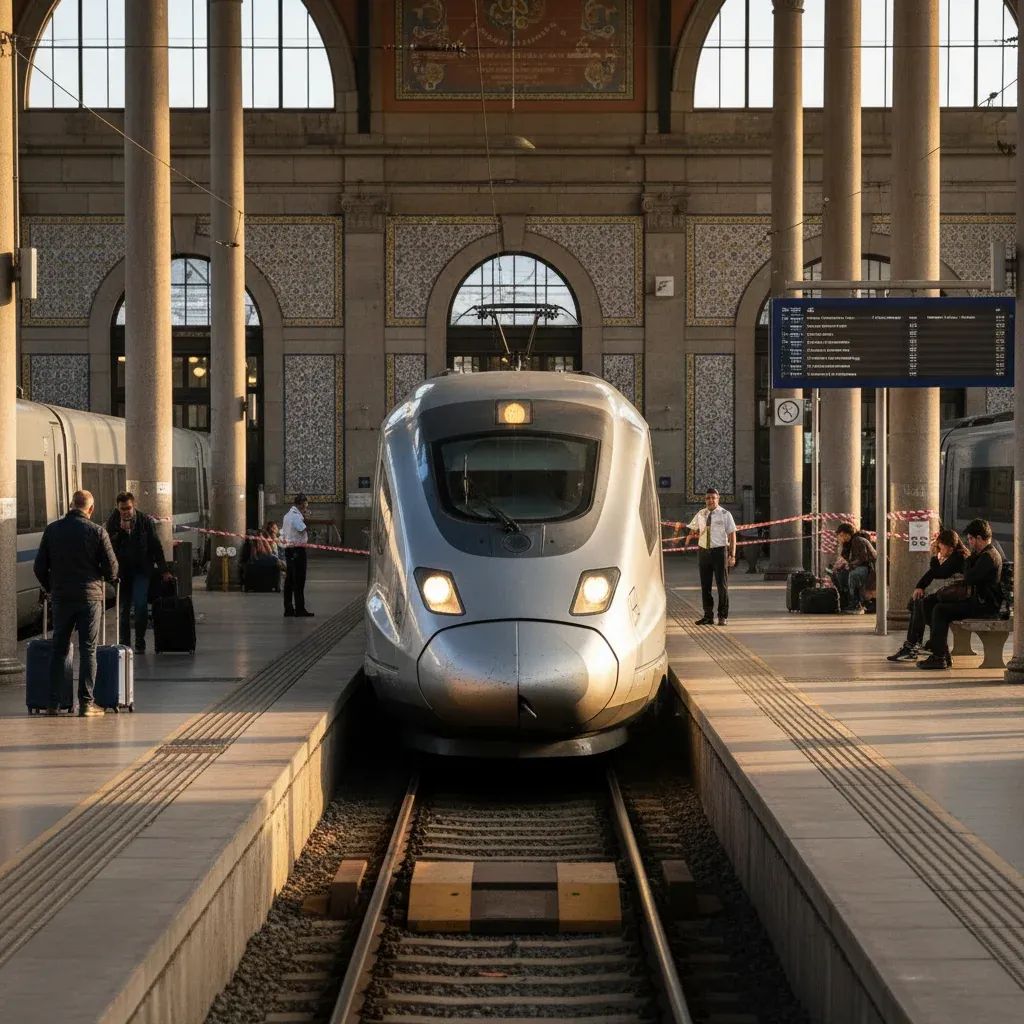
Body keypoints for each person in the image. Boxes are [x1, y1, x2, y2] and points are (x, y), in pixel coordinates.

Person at [33, 490, 118, 716]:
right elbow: (112, 569)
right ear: (91, 509)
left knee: (59, 649)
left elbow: (39, 567)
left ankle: (53, 704)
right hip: (90, 598)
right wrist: (101, 575)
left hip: (62, 598)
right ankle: (86, 704)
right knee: (88, 650)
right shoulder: (98, 531)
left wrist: (52, 587)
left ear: (71, 505)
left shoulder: (52, 530)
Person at [918, 518, 1003, 670]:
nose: (969, 542)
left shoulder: (988, 556)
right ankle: (941, 651)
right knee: (930, 603)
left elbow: (969, 577)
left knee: (940, 610)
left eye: (970, 539)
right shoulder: (983, 554)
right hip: (978, 601)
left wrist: (968, 561)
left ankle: (939, 657)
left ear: (979, 538)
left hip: (984, 605)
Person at [887, 529, 968, 662]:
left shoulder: (959, 557)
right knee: (918, 602)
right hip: (954, 597)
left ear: (950, 547)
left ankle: (913, 646)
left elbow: (939, 572)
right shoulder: (955, 556)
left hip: (959, 600)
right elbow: (932, 573)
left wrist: (935, 557)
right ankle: (913, 645)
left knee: (921, 604)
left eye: (941, 547)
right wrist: (920, 586)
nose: (939, 549)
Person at [104, 491, 168, 653]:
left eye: (128, 508)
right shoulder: (113, 522)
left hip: (141, 570)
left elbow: (155, 546)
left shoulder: (145, 521)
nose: (125, 512)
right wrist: (121, 533)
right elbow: (108, 548)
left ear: (134, 506)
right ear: (117, 508)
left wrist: (163, 570)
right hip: (122, 573)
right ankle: (125, 644)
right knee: (124, 609)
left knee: (140, 605)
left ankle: (140, 641)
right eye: (122, 509)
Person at [686, 487, 737, 626]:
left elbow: (732, 535)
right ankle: (708, 616)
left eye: (713, 498)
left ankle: (722, 616)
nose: (710, 500)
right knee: (705, 586)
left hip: (719, 552)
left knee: (722, 586)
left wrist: (732, 555)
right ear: (705, 500)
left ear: (718, 499)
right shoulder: (701, 514)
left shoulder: (725, 514)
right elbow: (692, 529)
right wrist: (689, 535)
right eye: (708, 498)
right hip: (704, 552)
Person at [832, 523, 876, 615]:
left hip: (869, 568)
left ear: (845, 534)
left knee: (854, 575)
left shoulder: (857, 540)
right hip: (861, 566)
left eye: (840, 535)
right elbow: (845, 559)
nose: (839, 538)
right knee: (839, 574)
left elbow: (863, 559)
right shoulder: (848, 544)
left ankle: (856, 602)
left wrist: (850, 565)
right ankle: (848, 600)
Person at [281, 494, 313, 617]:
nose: (306, 507)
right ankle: (300, 609)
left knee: (289, 580)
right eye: (306, 504)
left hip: (289, 550)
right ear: (301, 504)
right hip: (298, 551)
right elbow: (302, 529)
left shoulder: (287, 515)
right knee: (299, 580)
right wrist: (306, 518)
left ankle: (288, 609)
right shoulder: (295, 516)